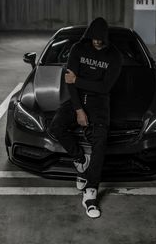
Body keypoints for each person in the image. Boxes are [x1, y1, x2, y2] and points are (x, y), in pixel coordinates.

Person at [48, 17, 122, 218]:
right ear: (90, 36)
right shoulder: (79, 49)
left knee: (100, 142)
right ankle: (80, 159)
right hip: (77, 100)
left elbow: (105, 87)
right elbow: (69, 83)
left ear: (106, 39)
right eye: (94, 38)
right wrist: (79, 110)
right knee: (56, 127)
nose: (97, 42)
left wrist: (79, 79)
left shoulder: (114, 55)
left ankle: (90, 192)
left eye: (101, 40)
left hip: (100, 104)